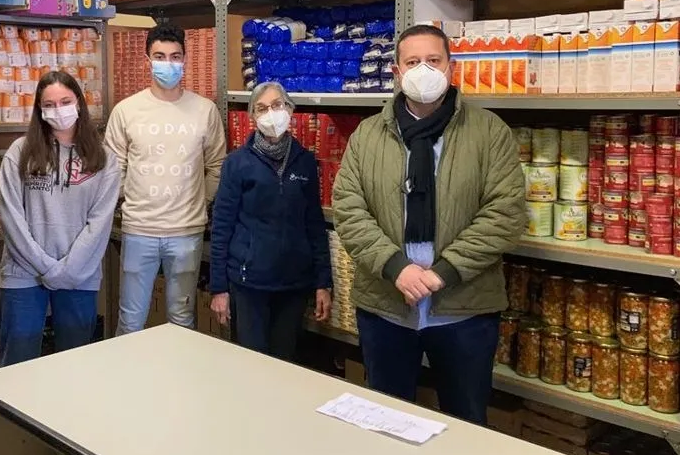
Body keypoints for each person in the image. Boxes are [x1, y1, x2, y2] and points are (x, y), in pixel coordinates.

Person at [332, 24, 526, 425]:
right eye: (413, 62)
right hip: (386, 306)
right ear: (397, 72)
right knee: (386, 421)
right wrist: (396, 267)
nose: (424, 70)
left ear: (451, 68)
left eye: (433, 61)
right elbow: (349, 211)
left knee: (467, 422)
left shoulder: (490, 133)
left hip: (464, 310)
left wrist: (440, 275)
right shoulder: (367, 135)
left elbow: (504, 213)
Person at [105, 22, 226, 335]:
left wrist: (202, 203)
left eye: (175, 56)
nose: (168, 63)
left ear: (184, 59)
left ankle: (179, 382)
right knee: (130, 322)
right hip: (138, 230)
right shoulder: (126, 111)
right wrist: (124, 201)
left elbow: (217, 165)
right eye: (160, 56)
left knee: (182, 321)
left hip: (187, 232)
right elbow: (113, 166)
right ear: (147, 60)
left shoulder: (205, 110)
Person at [0, 71, 120, 366]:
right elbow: (11, 218)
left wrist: (67, 270)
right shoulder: (20, 152)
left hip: (80, 274)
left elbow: (99, 223)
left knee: (74, 364)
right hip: (23, 273)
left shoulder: (104, 157)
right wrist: (45, 266)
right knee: (17, 362)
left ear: (79, 102)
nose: (58, 110)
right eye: (49, 104)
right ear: (39, 110)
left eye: (65, 101)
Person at [209, 82, 332, 361]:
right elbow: (222, 227)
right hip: (249, 283)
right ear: (253, 117)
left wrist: (323, 282)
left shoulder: (304, 162)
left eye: (277, 105)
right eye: (262, 108)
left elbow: (314, 224)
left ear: (290, 109)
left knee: (285, 363)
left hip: (293, 285)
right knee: (252, 365)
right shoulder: (237, 163)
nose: (271, 113)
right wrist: (219, 288)